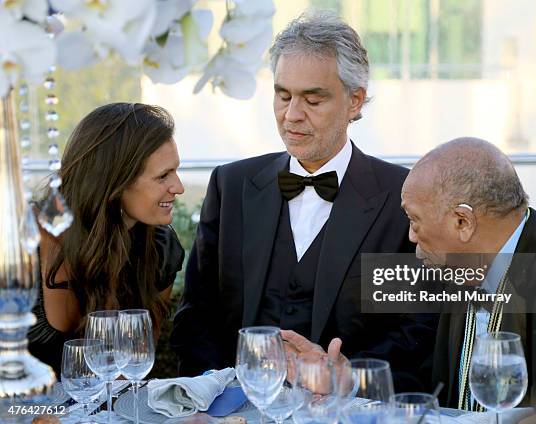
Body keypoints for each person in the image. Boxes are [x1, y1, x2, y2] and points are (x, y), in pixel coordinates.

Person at [171, 11, 435, 390]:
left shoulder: (403, 196)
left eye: (313, 99)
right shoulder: (230, 185)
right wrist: (217, 392)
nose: (292, 115)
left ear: (355, 101)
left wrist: (346, 378)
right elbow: (195, 316)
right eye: (283, 95)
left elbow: (418, 329)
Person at [400, 137, 536, 409]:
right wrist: (354, 379)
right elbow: (428, 376)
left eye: (414, 220)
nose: (411, 236)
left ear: (463, 222)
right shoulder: (456, 270)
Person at [28, 103, 185, 377]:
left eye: (175, 171)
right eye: (163, 176)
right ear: (114, 181)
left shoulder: (161, 249)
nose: (179, 187)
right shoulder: (23, 242)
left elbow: (134, 368)